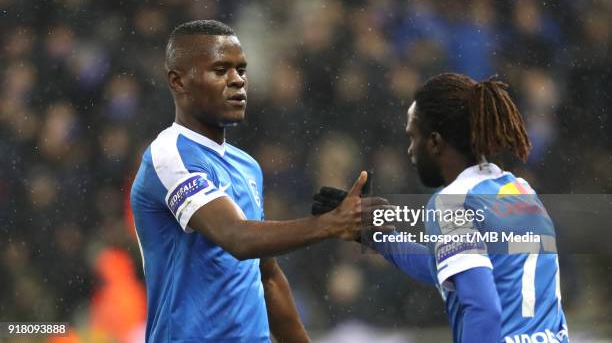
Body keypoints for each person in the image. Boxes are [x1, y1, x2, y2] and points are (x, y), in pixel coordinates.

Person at [130, 20, 382, 343]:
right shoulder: (169, 155)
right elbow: (236, 238)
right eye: (220, 70)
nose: (237, 81)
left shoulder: (247, 166)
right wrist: (329, 224)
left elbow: (268, 279)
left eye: (241, 70)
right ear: (178, 81)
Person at [313, 73, 569, 343]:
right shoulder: (520, 191)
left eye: (413, 138)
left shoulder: (453, 202)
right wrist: (376, 235)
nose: (410, 151)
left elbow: (483, 308)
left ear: (434, 142)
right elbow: (451, 271)